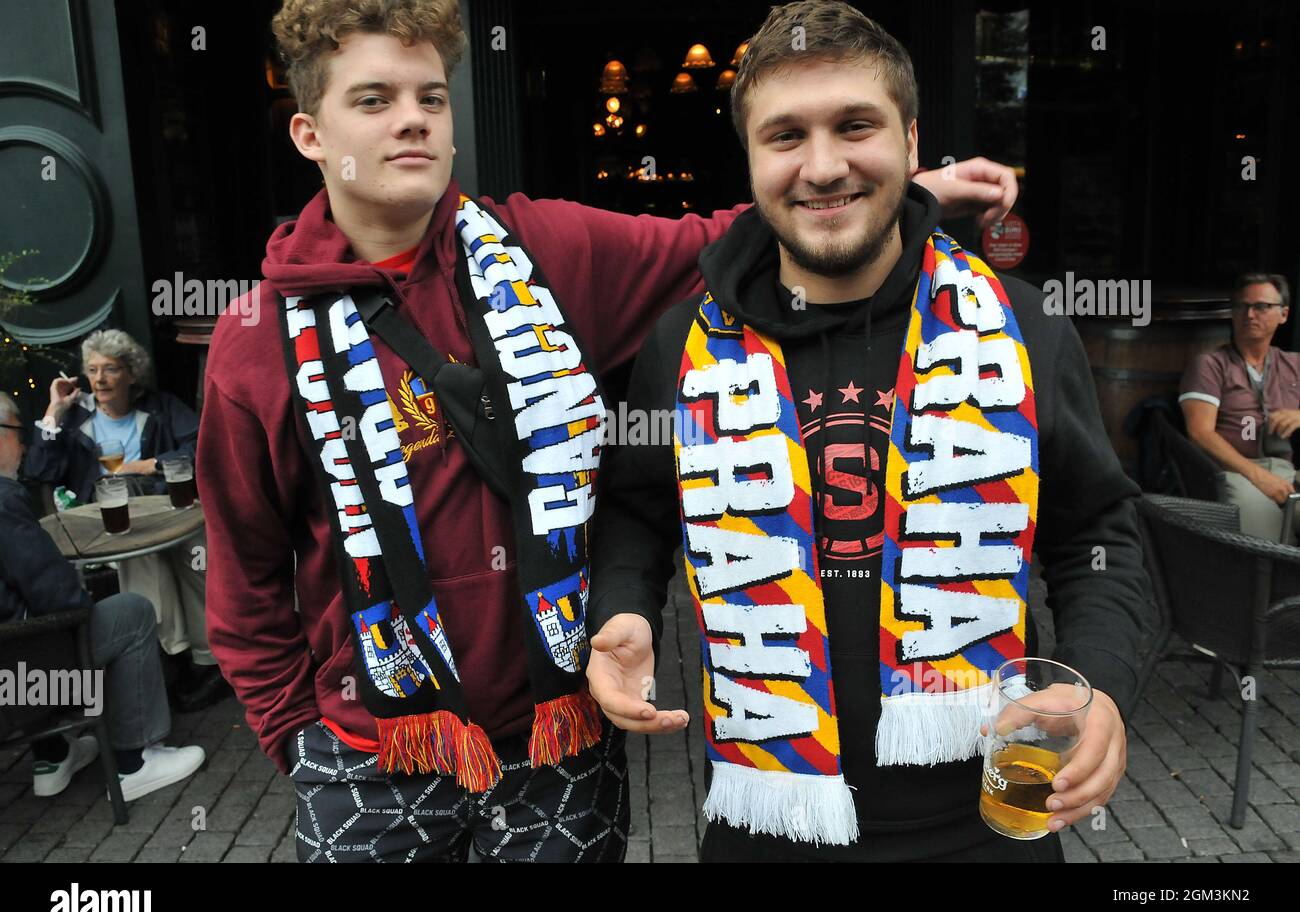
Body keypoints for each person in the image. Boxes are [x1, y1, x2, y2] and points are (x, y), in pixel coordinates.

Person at [198, 0, 1021, 864]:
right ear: (308, 133)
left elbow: (724, 241)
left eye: (431, 98)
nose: (412, 119)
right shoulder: (255, 338)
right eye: (373, 100)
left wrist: (900, 188)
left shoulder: (540, 248)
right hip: (371, 757)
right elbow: (246, 577)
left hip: (560, 745)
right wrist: (298, 740)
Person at [584, 0, 1150, 862]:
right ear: (750, 157)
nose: (822, 166)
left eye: (855, 126)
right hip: (764, 825)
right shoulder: (681, 345)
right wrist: (625, 609)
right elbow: (635, 513)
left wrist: (1100, 685)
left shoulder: (1020, 325)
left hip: (995, 822)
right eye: (785, 136)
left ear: (914, 145)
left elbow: (1102, 534)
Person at [0, 392, 205, 801]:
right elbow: (58, 598)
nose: (23, 445)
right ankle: (134, 763)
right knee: (129, 611)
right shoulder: (3, 500)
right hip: (24, 679)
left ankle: (53, 755)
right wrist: (82, 598)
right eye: (18, 433)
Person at [21, 328, 226, 711]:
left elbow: (202, 445)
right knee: (144, 557)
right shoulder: (73, 420)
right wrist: (53, 411)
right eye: (93, 370)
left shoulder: (162, 407)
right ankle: (171, 657)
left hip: (164, 509)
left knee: (196, 549)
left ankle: (205, 660)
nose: (99, 379)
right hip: (106, 522)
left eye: (111, 369)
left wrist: (151, 464)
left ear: (131, 375)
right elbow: (37, 472)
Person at [1180, 274, 1298, 542]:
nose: (1250, 315)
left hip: (1286, 473)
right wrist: (1258, 476)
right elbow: (1200, 433)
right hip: (1235, 472)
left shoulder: (1293, 364)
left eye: (1261, 307)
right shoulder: (1210, 364)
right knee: (1265, 546)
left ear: (1283, 314)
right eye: (1241, 307)